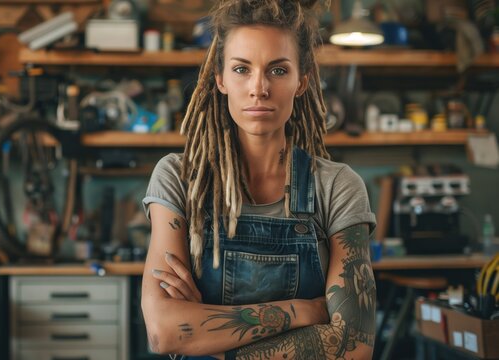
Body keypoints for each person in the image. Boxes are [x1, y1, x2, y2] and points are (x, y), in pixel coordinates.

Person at [141, 0, 377, 358]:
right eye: (241, 69)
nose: (259, 88)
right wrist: (303, 312)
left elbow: (354, 347)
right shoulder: (180, 178)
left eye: (278, 71)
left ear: (302, 81)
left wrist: (209, 339)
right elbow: (163, 331)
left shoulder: (338, 187)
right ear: (219, 79)